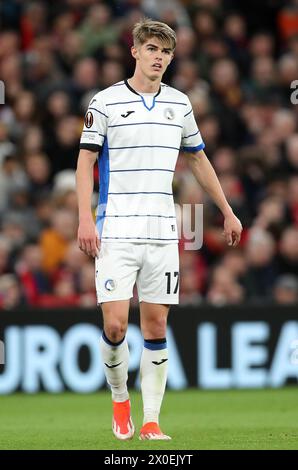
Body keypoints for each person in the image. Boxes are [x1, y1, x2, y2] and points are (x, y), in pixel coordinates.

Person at [76, 18, 242, 441]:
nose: (158, 57)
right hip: (115, 227)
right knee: (115, 326)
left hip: (164, 231)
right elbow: (85, 162)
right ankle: (119, 400)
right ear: (134, 51)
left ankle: (150, 420)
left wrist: (226, 210)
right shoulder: (106, 102)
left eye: (165, 51)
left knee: (154, 328)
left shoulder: (179, 104)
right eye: (151, 49)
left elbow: (198, 159)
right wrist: (83, 217)